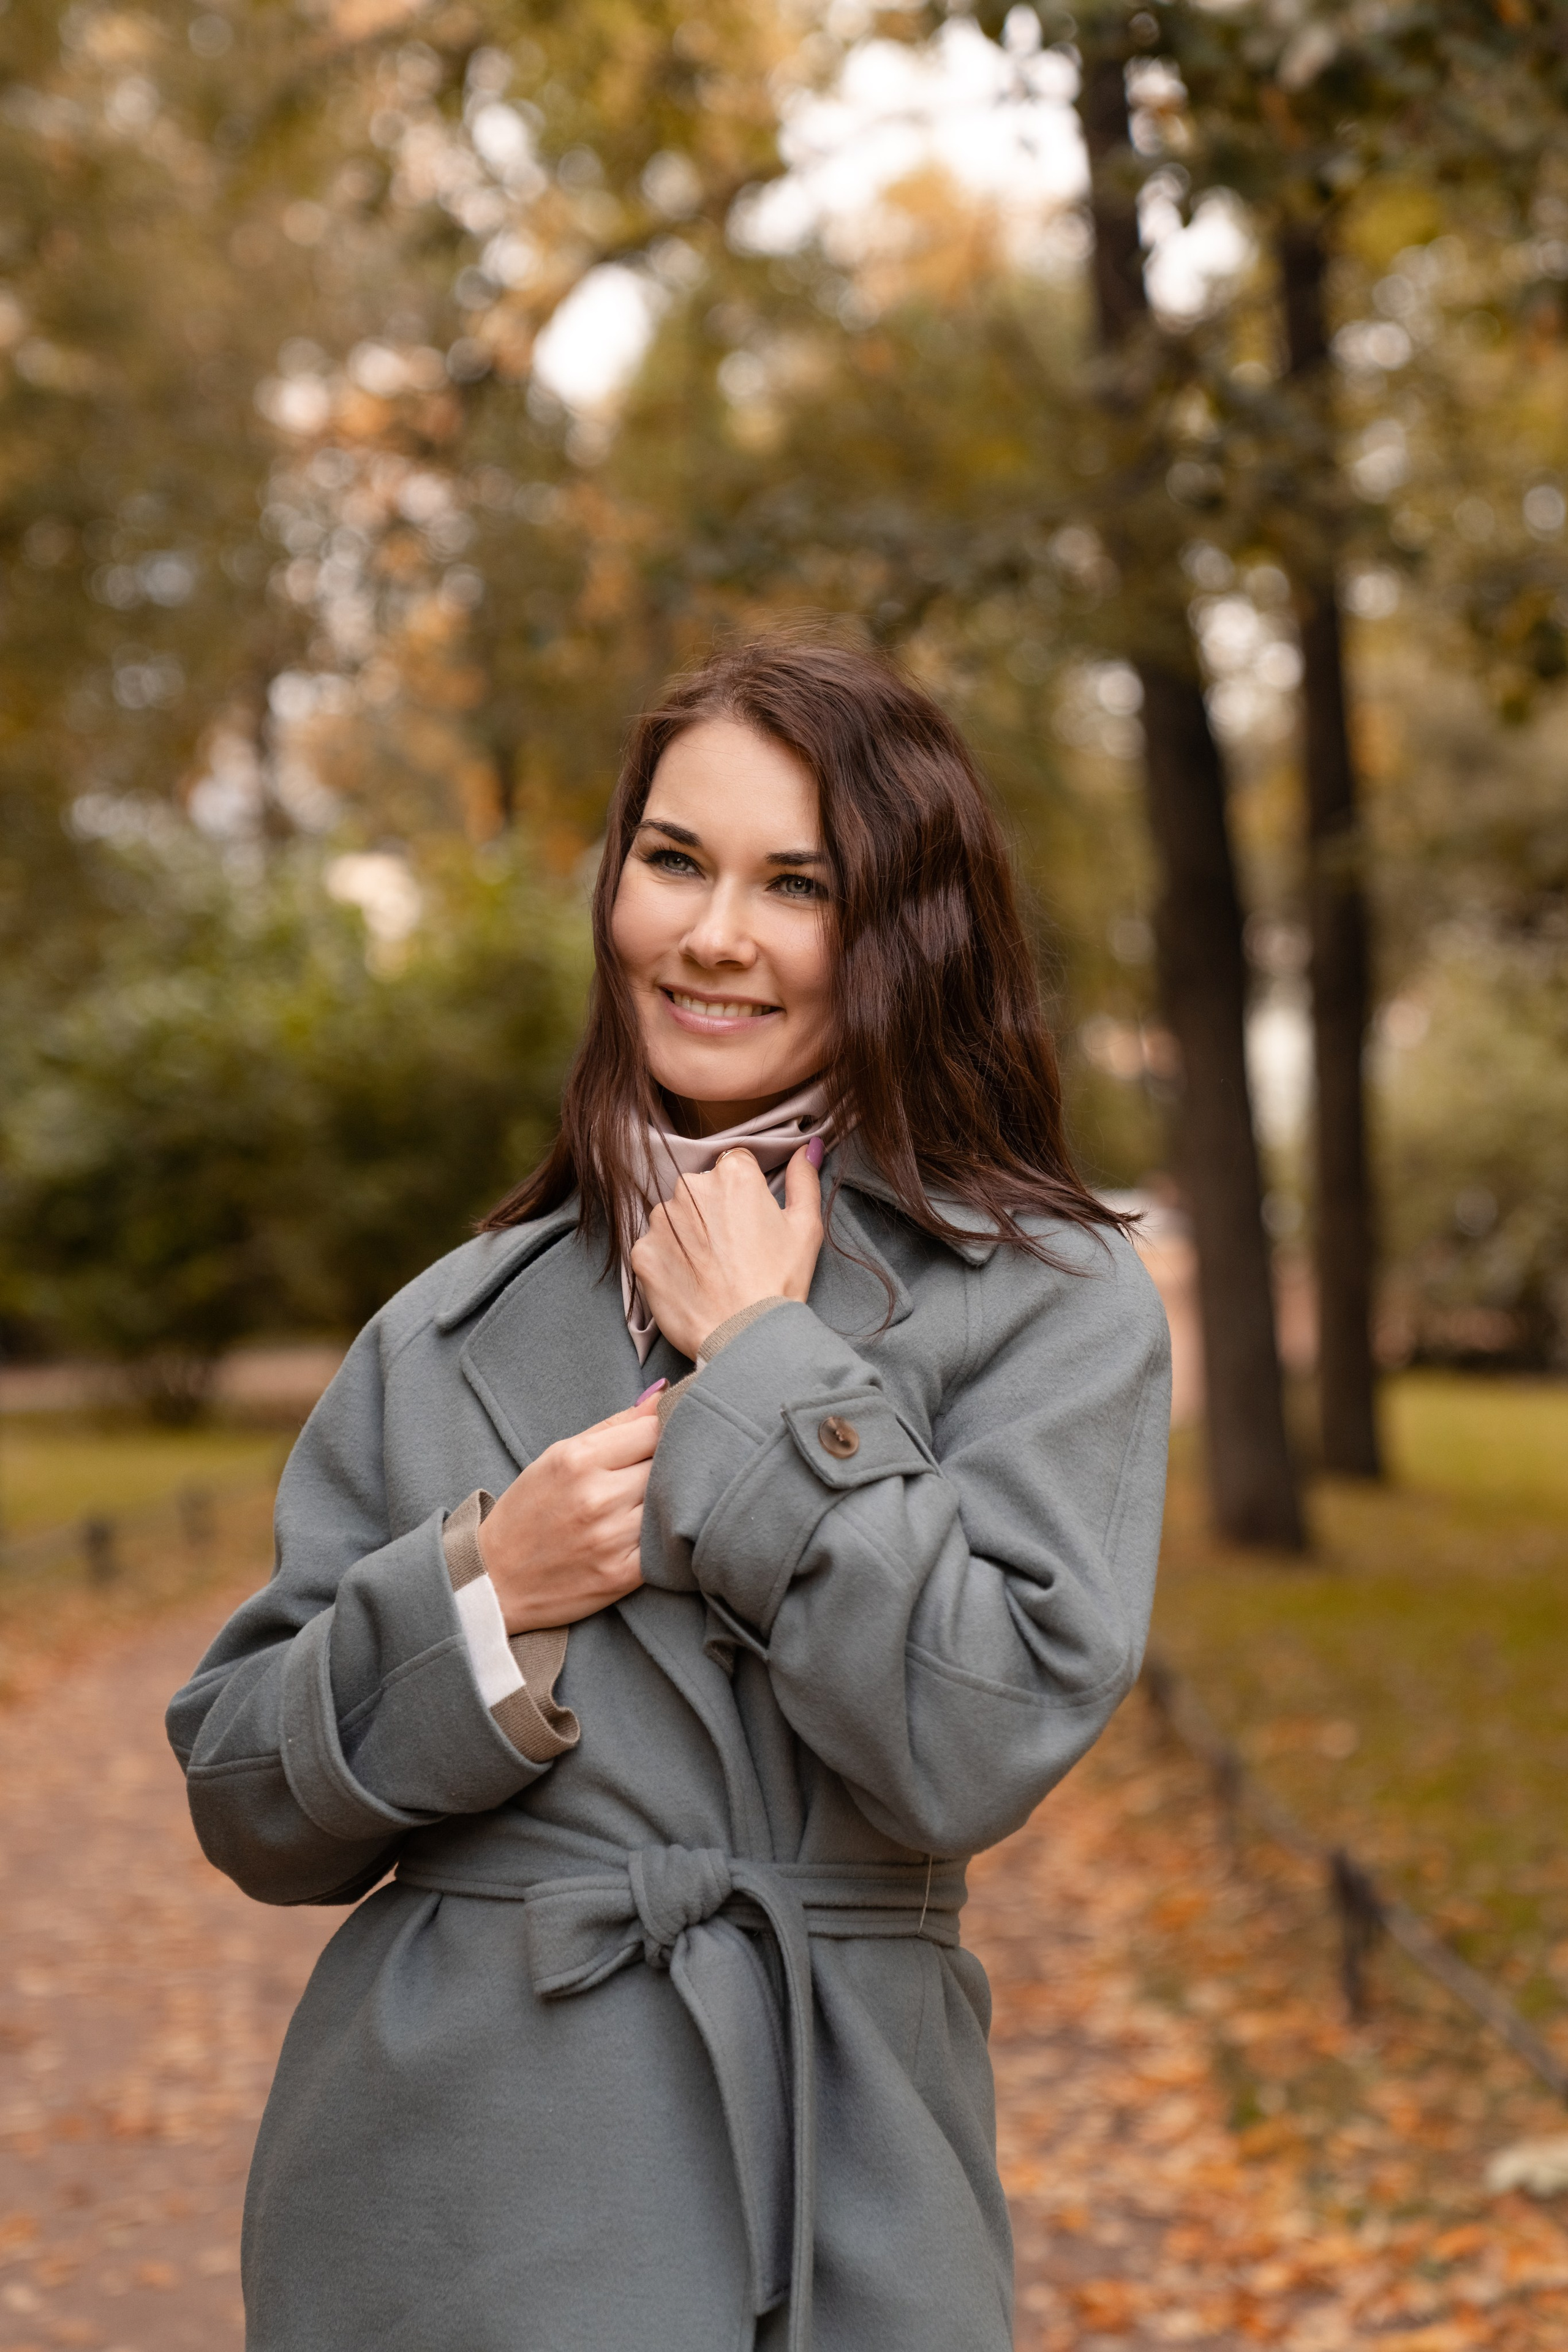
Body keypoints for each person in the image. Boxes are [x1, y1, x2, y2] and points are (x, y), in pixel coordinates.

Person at [167, 633, 1170, 2352]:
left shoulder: (1051, 1302)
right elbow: (247, 1796)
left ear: (904, 931)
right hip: (445, 2198)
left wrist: (769, 1364)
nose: (716, 935)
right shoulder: (449, 1322)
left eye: (801, 884)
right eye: (675, 860)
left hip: (840, 2166)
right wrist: (486, 1589)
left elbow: (979, 1740)